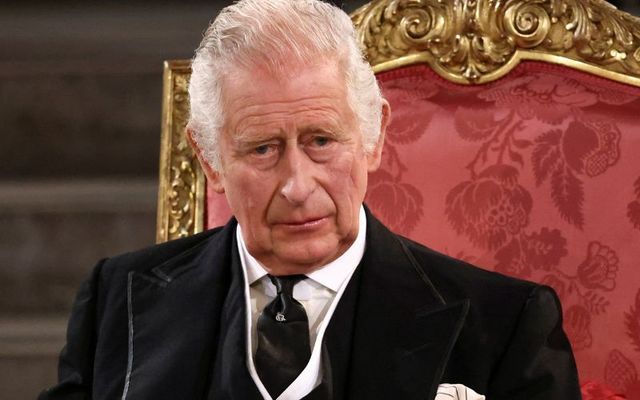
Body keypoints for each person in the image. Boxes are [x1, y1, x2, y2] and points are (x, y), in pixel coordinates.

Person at [39, 0, 581, 399]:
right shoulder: (118, 299)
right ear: (210, 161)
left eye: (321, 140)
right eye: (262, 148)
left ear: (373, 138)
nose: (297, 185)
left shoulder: (507, 324)